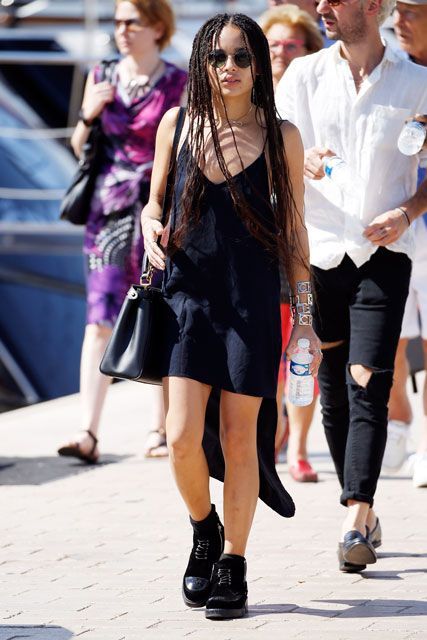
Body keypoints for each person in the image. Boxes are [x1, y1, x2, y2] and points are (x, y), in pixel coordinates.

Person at [141, 13, 321, 619]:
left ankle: (235, 564)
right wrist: (148, 226)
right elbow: (153, 200)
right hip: (187, 298)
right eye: (218, 58)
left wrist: (303, 319)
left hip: (250, 305)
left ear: (260, 64)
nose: (231, 69)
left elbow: (295, 233)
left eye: (243, 57)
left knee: (243, 440)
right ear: (202, 62)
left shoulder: (281, 137)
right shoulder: (177, 123)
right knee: (181, 437)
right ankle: (204, 527)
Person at [276, 0, 427, 573]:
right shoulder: (304, 75)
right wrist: (302, 157)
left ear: (373, 6)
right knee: (333, 382)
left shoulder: (417, 82)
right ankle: (362, 510)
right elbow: (275, 151)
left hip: (385, 251)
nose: (321, 7)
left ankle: (354, 513)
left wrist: (409, 211)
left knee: (368, 376)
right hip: (318, 251)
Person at [57, 0, 187, 463]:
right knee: (99, 317)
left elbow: (184, 151)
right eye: (116, 22)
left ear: (157, 26)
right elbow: (80, 147)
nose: (121, 30)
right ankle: (87, 431)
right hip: (108, 216)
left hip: (160, 214)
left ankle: (159, 428)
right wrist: (89, 115)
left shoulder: (179, 82)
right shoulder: (102, 75)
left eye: (131, 21)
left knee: (160, 311)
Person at [259, 2, 323, 482]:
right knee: (274, 342)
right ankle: (277, 431)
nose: (280, 53)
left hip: (309, 235)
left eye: (290, 45)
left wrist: (317, 159)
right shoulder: (249, 100)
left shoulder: (316, 96)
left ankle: (299, 447)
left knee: (304, 339)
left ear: (307, 49)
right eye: (272, 45)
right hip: (262, 238)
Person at [383, 0, 427, 488]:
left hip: (420, 222)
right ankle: (398, 420)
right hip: (390, 227)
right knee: (389, 332)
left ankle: (426, 441)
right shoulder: (389, 69)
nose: (398, 22)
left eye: (411, 10)